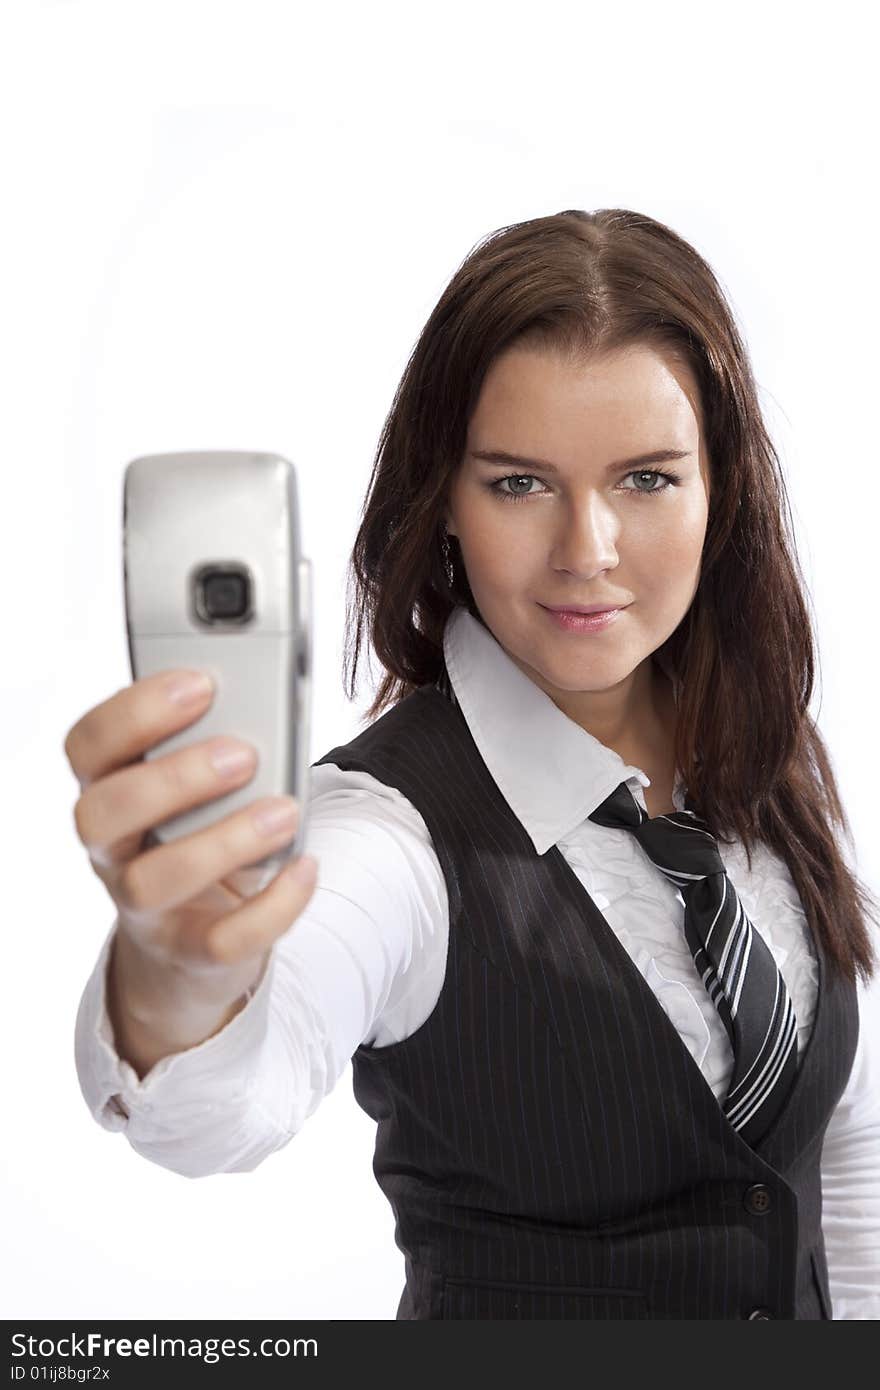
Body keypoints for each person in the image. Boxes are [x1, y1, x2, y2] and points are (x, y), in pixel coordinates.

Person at [67, 208, 879, 1320]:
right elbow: (219, 1110)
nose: (586, 551)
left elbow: (847, 1160)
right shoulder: (386, 835)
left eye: (645, 480)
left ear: (719, 491)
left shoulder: (760, 759)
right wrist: (178, 975)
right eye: (517, 484)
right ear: (442, 499)